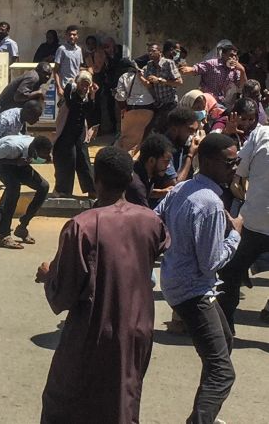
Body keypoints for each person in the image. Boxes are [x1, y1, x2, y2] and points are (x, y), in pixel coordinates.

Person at [37, 146, 169, 424]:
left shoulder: (82, 226)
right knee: (123, 401)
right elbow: (156, 250)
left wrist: (49, 274)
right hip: (137, 328)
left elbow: (64, 294)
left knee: (65, 402)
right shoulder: (150, 220)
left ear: (97, 180)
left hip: (94, 331)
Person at [155, 134, 242, 423]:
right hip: (193, 291)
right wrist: (235, 235)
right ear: (207, 162)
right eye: (230, 162)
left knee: (224, 343)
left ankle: (205, 414)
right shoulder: (211, 204)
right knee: (222, 372)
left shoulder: (182, 189)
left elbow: (157, 223)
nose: (235, 168)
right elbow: (211, 264)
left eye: (237, 161)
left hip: (178, 282)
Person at [218, 118, 269, 332]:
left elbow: (239, 169)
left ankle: (224, 326)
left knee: (229, 271)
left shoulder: (261, 135)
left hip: (254, 221)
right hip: (253, 220)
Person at [0, 134, 52, 249]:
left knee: (44, 186)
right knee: (14, 188)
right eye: (44, 154)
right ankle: (4, 234)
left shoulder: (35, 145)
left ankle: (23, 226)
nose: (47, 157)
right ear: (35, 151)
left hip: (19, 163)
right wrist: (16, 162)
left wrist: (21, 163)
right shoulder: (13, 146)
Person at [53, 71, 98, 197]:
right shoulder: (71, 95)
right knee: (68, 160)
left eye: (86, 86)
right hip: (66, 134)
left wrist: (93, 95)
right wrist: (71, 83)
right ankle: (63, 190)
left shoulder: (87, 97)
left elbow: (89, 109)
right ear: (77, 84)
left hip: (79, 134)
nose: (84, 88)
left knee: (84, 160)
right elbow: (72, 103)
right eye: (82, 85)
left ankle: (92, 189)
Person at [180, 42, 247, 104]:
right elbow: (196, 69)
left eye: (235, 56)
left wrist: (242, 70)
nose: (233, 58)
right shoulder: (212, 63)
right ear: (223, 55)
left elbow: (242, 85)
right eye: (231, 55)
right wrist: (187, 69)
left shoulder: (235, 70)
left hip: (221, 102)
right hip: (206, 100)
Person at [114, 58, 156, 154]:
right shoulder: (147, 75)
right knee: (141, 139)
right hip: (149, 109)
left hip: (131, 109)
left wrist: (122, 108)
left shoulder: (124, 76)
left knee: (127, 138)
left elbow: (121, 96)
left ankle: (121, 159)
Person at [125, 133, 174, 208]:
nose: (168, 166)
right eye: (166, 161)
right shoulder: (137, 187)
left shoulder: (145, 171)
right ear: (151, 160)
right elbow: (146, 216)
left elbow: (148, 191)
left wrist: (163, 192)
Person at [143, 40, 182, 131]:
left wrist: (160, 80)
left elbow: (179, 82)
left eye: (153, 51)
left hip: (170, 103)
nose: (150, 53)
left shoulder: (168, 63)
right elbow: (149, 84)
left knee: (169, 129)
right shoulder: (149, 65)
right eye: (149, 51)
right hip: (158, 104)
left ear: (160, 52)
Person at [160, 106, 203, 186]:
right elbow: (175, 185)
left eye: (195, 131)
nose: (193, 135)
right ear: (174, 129)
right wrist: (190, 155)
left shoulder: (181, 143)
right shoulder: (163, 149)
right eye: (190, 130)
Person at [53, 25, 83, 99]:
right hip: (64, 87)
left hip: (76, 87)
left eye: (74, 34)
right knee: (64, 110)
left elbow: (78, 68)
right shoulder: (62, 49)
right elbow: (55, 70)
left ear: (77, 36)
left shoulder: (79, 50)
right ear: (66, 36)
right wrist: (59, 88)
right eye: (69, 34)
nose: (71, 37)